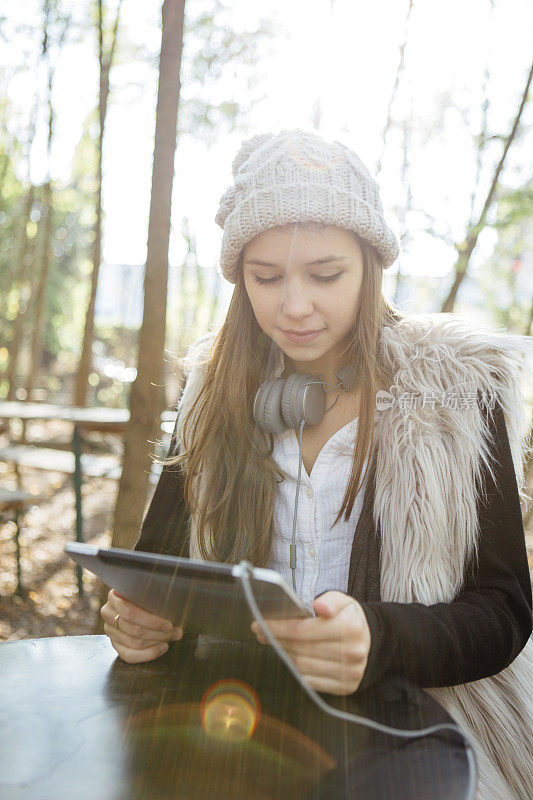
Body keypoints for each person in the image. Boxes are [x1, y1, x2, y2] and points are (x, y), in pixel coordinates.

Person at [100, 129, 533, 799]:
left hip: (418, 736)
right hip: (235, 724)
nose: (293, 305)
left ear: (369, 264)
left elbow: (503, 610)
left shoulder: (457, 390)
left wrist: (382, 637)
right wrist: (139, 620)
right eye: (264, 277)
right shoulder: (209, 393)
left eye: (325, 274)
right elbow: (157, 569)